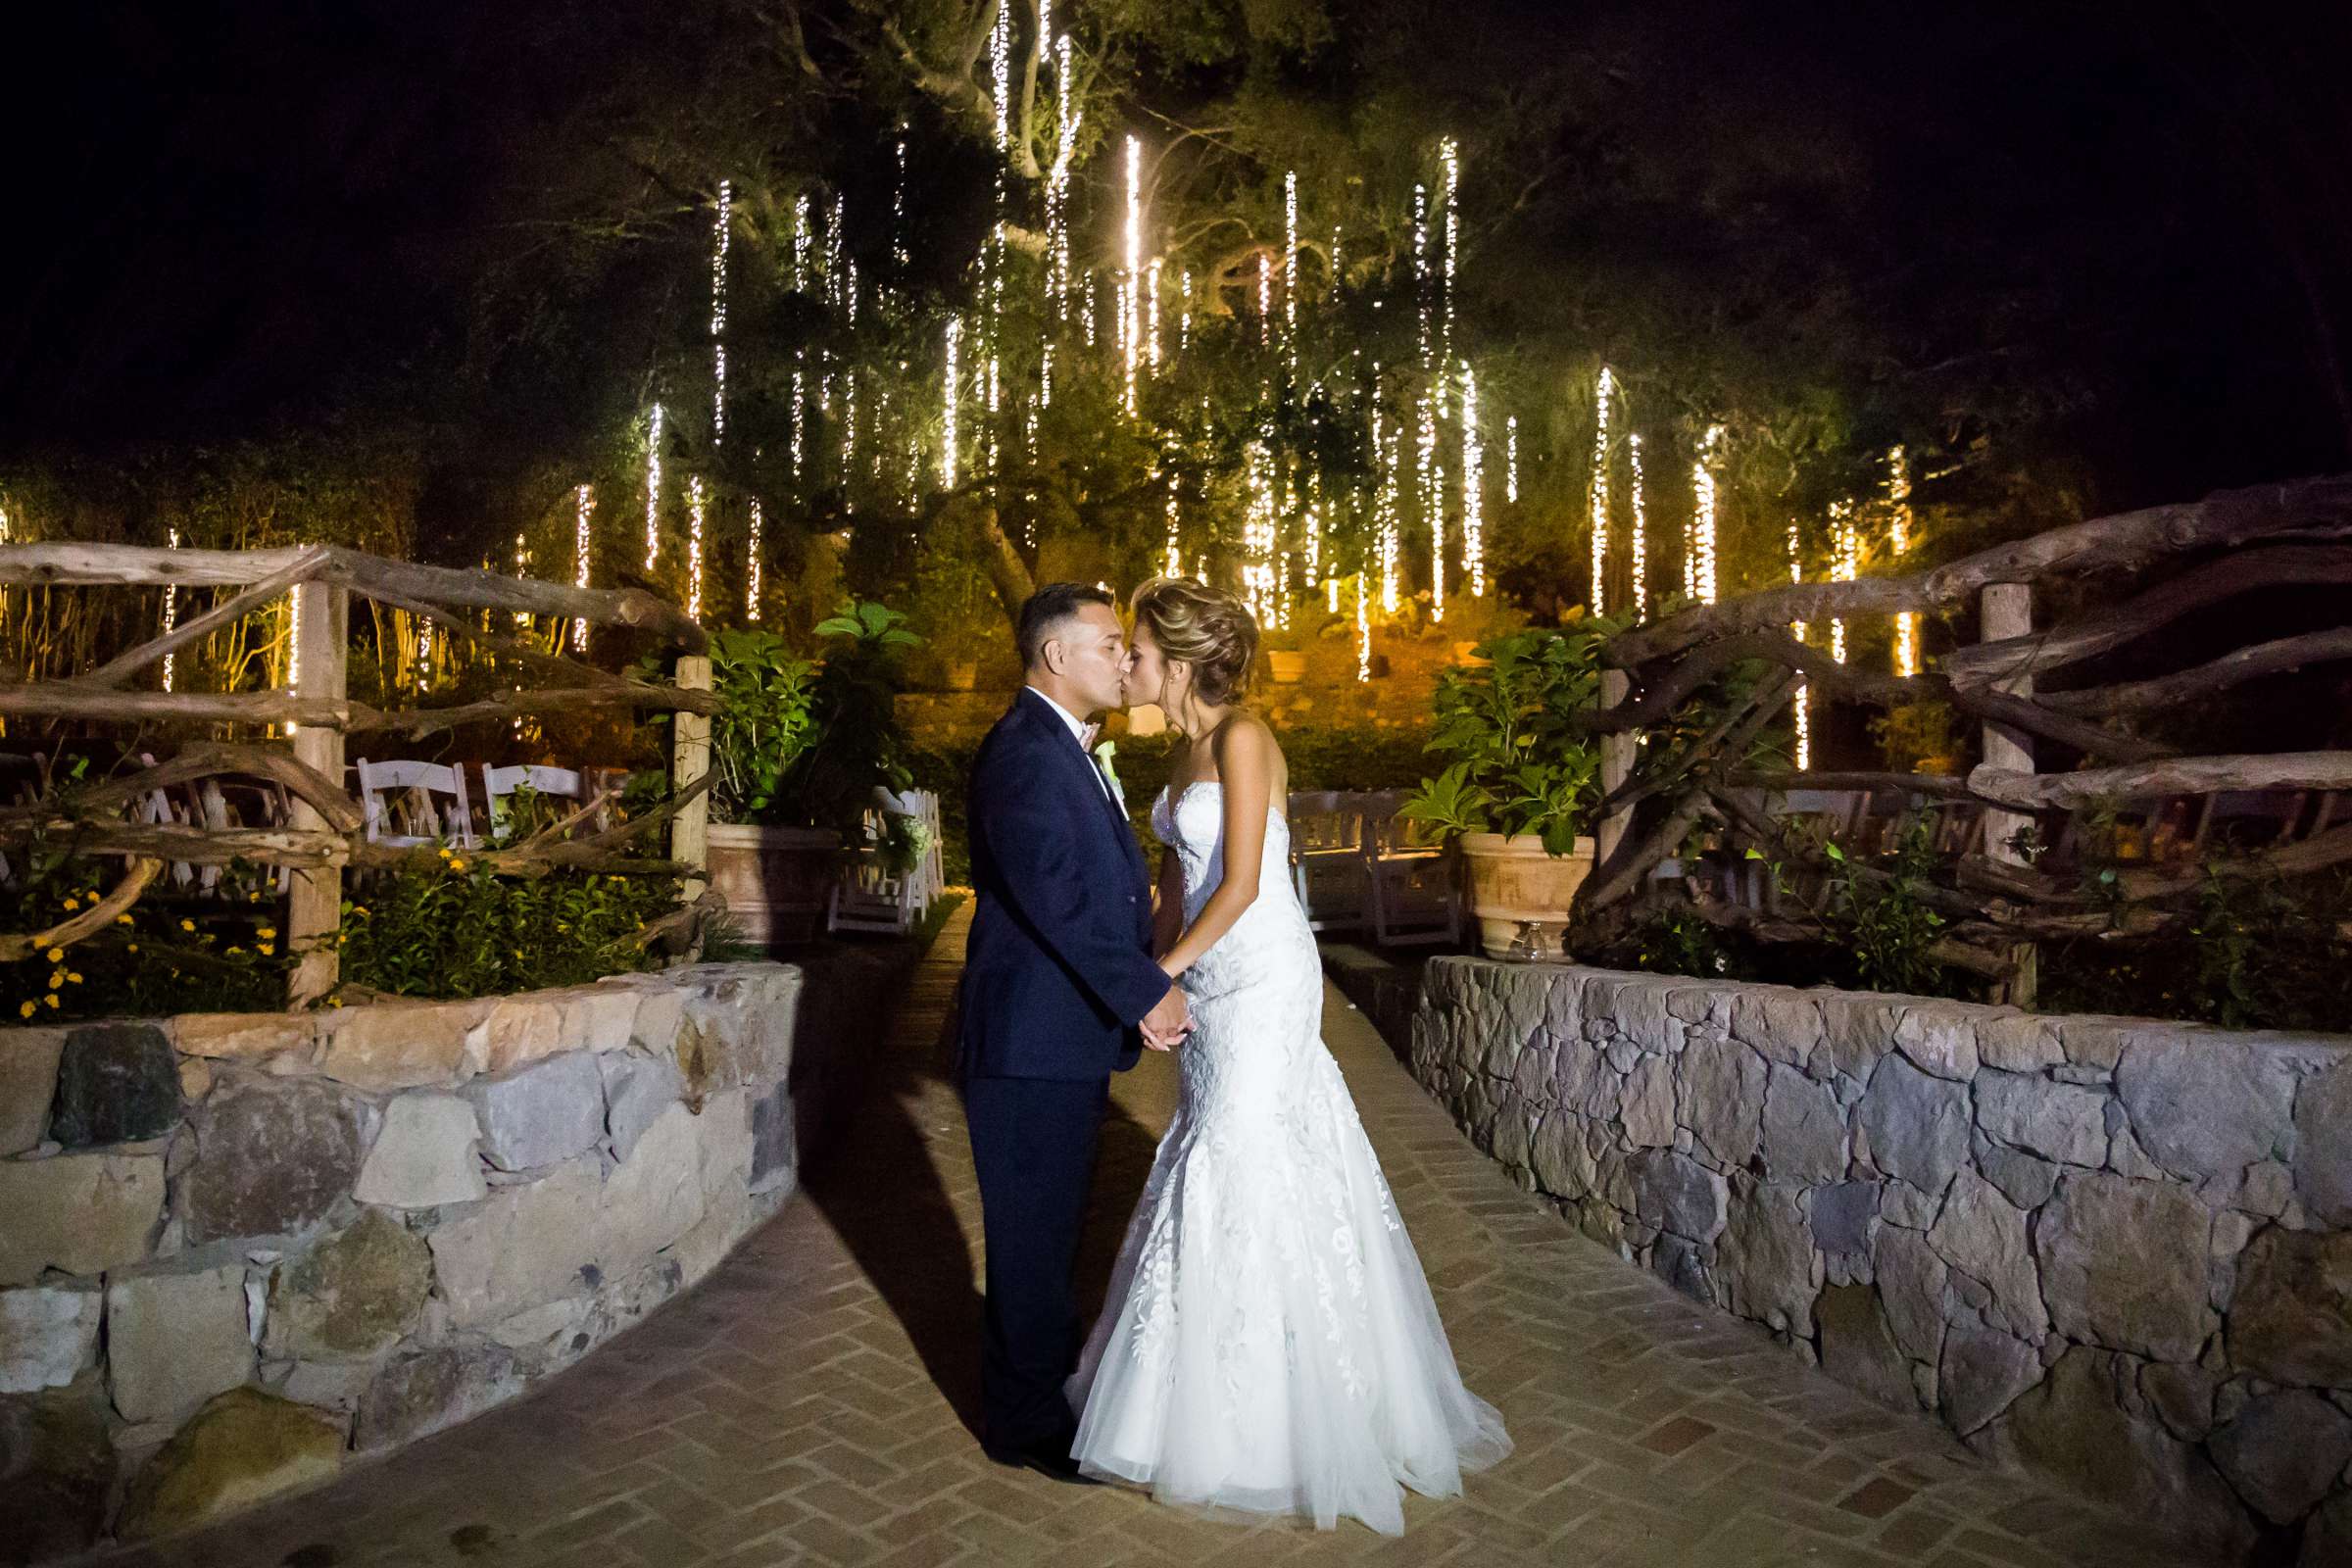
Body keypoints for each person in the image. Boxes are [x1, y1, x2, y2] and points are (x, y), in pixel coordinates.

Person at [1065, 576, 1511, 1534]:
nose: (1127, 664)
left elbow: (1239, 884)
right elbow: (1176, 890)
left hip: (1264, 974)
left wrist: (1160, 976)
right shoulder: (1181, 749)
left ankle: (1266, 1425)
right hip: (1211, 980)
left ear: (1176, 660)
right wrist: (1144, 963)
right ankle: (1211, 1402)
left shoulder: (1243, 738)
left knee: (1237, 1150)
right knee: (1212, 1147)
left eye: (1138, 650)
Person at [959, 582, 1193, 1483]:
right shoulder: (1025, 752)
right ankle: (1021, 1423)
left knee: (1049, 1232)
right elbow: (1057, 892)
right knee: (1030, 1236)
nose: (1125, 660)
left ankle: (1043, 1393)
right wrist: (1145, 991)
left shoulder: (1066, 748)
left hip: (1055, 1037)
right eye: (1108, 644)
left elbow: (1097, 887)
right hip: (1028, 1041)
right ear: (1056, 656)